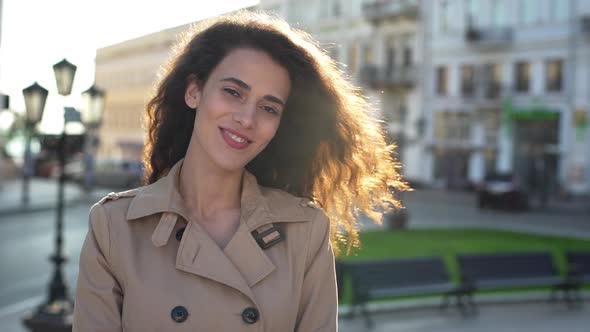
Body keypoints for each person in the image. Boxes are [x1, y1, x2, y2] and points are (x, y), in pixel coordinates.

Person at [73, 10, 406, 331]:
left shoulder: (304, 230)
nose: (247, 119)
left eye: (268, 108)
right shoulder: (115, 225)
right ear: (194, 91)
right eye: (233, 92)